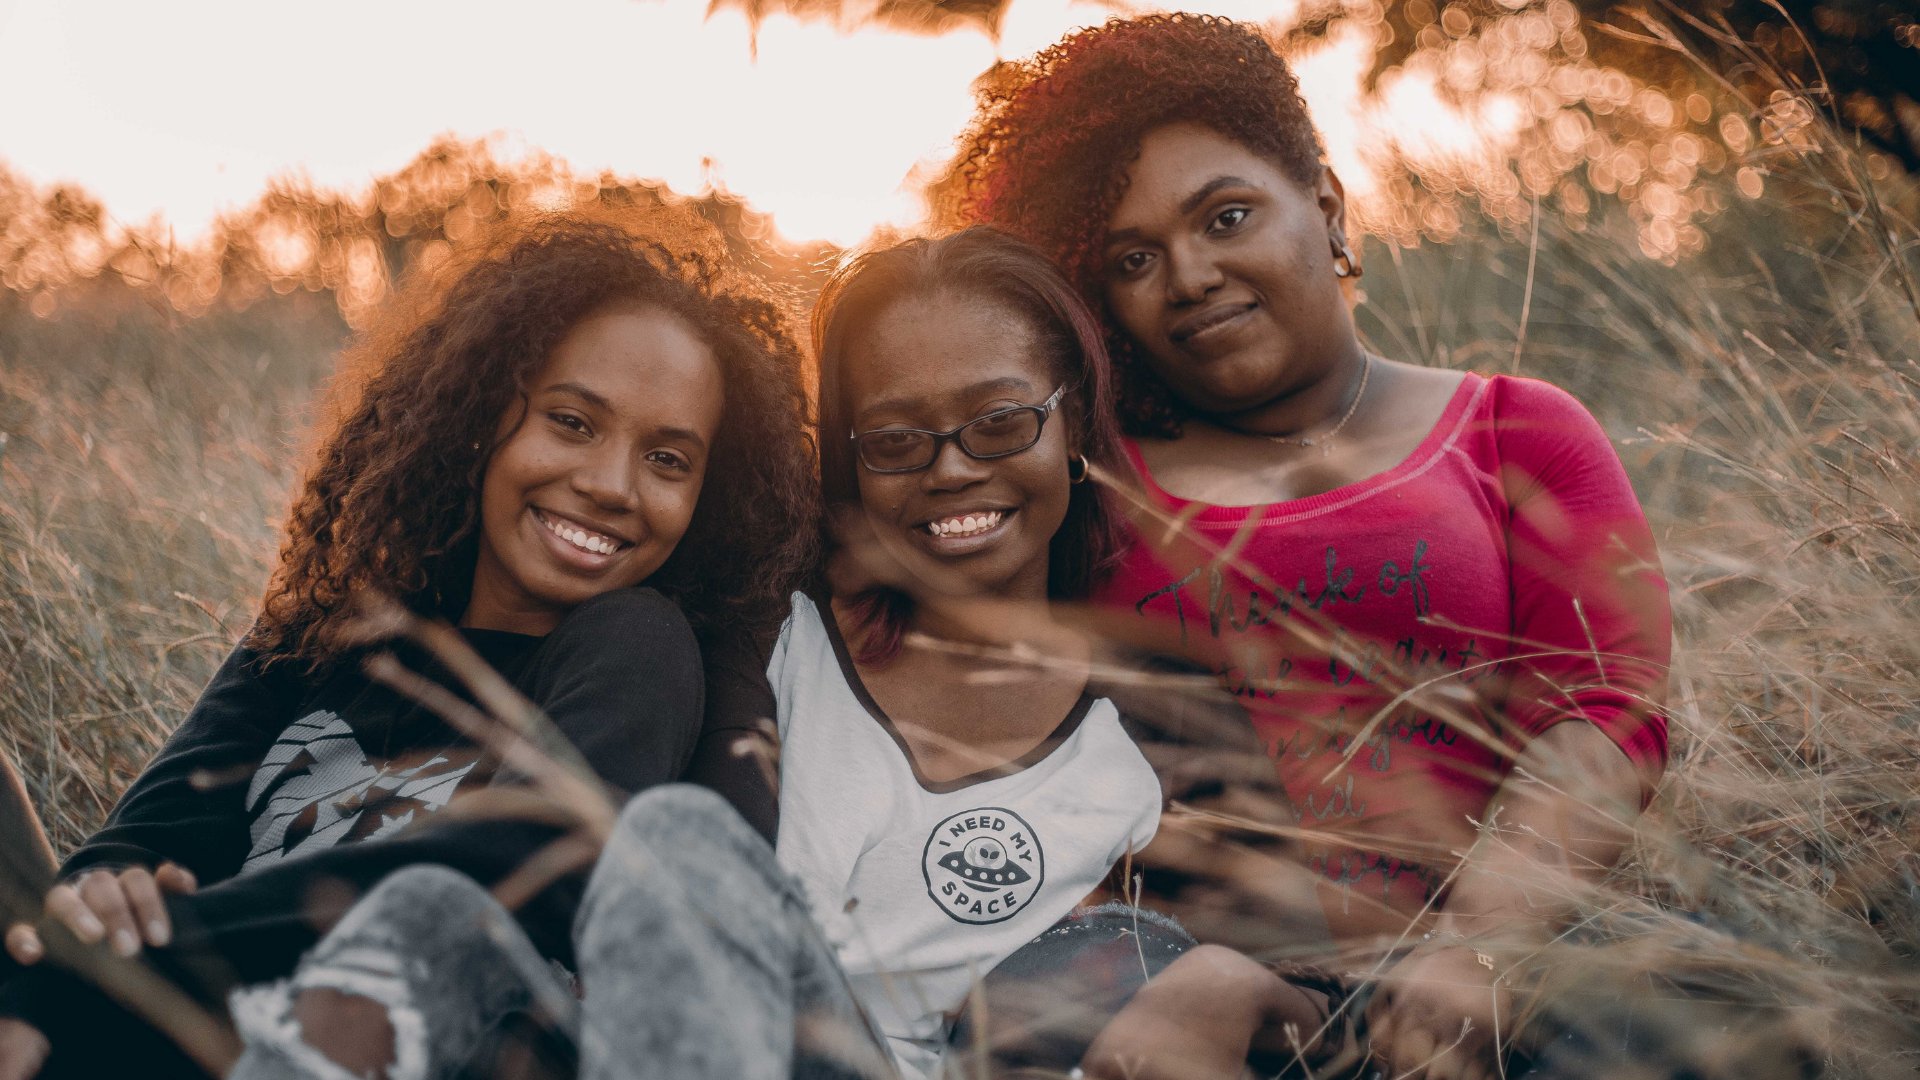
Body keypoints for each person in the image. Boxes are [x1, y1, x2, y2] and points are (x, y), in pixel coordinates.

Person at [220, 227, 1335, 1080]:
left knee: (679, 843)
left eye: (1001, 423)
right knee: (438, 913)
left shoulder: (1157, 707)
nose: (952, 471)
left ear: (1074, 421)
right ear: (846, 459)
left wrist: (1224, 974)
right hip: (684, 1043)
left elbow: (1307, 991)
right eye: (896, 440)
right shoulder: (758, 622)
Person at [938, 15, 1674, 1080]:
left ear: (1325, 205)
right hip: (1176, 995)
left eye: (1227, 216)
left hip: (1491, 975)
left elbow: (1607, 712)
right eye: (1132, 259)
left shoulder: (1519, 430)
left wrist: (1477, 948)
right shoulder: (1081, 481)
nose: (1188, 275)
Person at [0, 209, 818, 1080]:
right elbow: (141, 841)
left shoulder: (642, 647)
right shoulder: (320, 638)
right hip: (179, 1024)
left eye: (667, 460)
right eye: (573, 423)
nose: (611, 485)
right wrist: (100, 905)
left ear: (707, 493)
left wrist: (111, 968)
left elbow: (527, 867)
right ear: (481, 413)